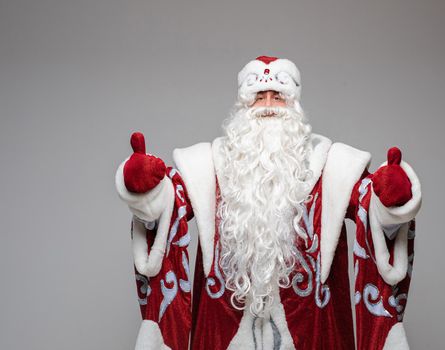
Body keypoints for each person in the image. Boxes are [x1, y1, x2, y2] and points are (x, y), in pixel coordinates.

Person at [115, 56, 422, 350]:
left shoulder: (331, 164)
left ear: (293, 104)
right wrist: (145, 186)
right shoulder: (209, 164)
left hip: (312, 328)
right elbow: (170, 206)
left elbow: (372, 205)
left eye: (278, 96)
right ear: (244, 105)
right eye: (260, 96)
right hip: (224, 324)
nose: (268, 105)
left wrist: (393, 194)